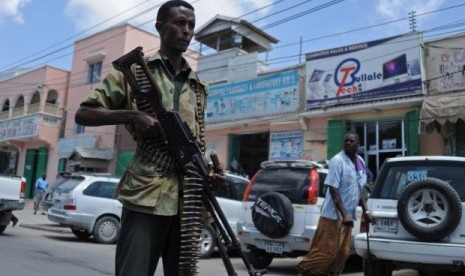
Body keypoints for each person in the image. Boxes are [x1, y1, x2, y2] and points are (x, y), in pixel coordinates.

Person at [74, 1, 224, 275]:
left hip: (188, 196)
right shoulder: (136, 72)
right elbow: (84, 114)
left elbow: (196, 142)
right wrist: (132, 116)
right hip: (147, 193)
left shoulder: (198, 86)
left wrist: (209, 172)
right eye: (179, 23)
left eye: (191, 25)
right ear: (160, 27)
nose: (187, 30)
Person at [296, 131, 375, 275]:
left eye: (351, 141)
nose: (348, 143)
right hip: (332, 216)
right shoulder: (337, 161)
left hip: (347, 218)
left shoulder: (360, 162)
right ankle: (304, 269)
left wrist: (366, 211)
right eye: (346, 141)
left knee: (343, 253)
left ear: (358, 144)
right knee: (327, 253)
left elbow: (359, 190)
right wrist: (344, 214)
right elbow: (333, 190)